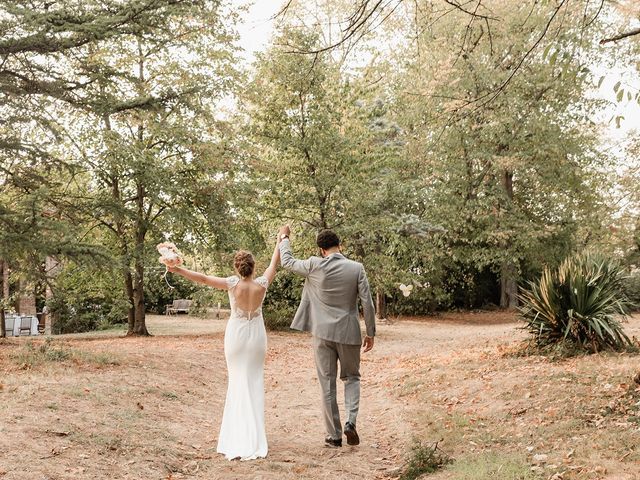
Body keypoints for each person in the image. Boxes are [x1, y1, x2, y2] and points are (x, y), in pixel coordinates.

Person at [167, 239, 280, 460]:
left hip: (236, 338)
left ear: (237, 268)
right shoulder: (262, 284)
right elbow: (274, 264)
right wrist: (280, 240)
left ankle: (237, 435)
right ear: (253, 267)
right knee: (254, 382)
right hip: (256, 338)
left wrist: (177, 269)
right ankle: (254, 437)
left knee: (237, 382)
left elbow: (202, 278)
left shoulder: (231, 284)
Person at [278, 226, 376, 447]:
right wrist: (370, 332)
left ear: (322, 250)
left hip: (322, 334)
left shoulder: (313, 264)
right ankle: (351, 421)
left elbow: (287, 262)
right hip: (349, 332)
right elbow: (367, 303)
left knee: (327, 384)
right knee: (352, 377)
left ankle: (334, 436)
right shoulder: (356, 268)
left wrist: (284, 238)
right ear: (339, 246)